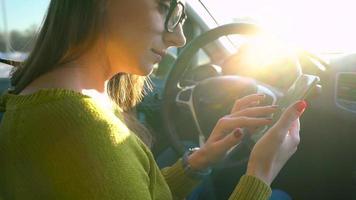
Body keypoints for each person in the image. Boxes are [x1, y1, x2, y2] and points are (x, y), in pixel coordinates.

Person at [0, 0, 307, 199]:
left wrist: (200, 159)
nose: (180, 38)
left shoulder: (71, 106)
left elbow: (129, 190)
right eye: (163, 8)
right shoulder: (76, 127)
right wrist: (260, 175)